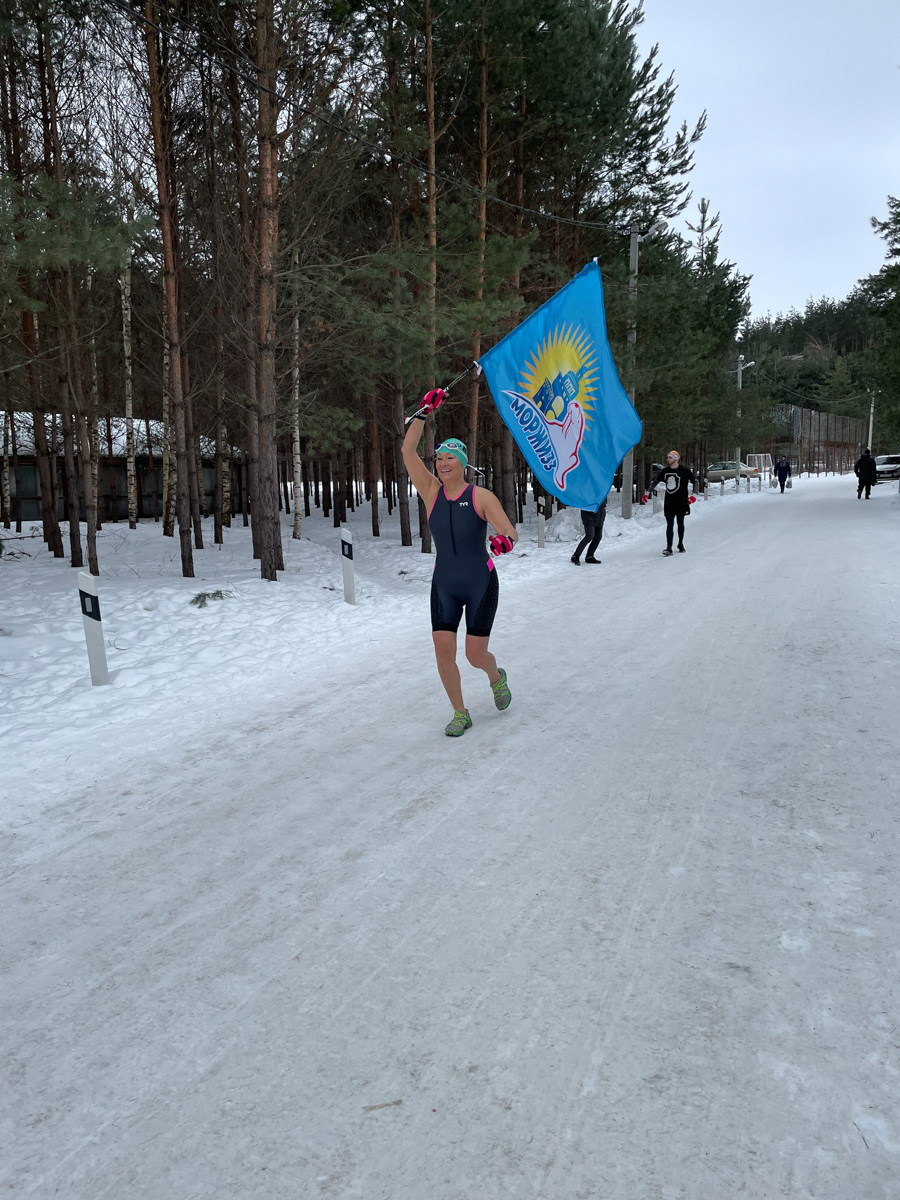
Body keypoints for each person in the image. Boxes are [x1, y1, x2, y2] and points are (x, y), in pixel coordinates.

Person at [402, 389, 519, 737]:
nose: (442, 463)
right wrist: (423, 411)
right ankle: (460, 712)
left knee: (473, 654)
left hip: (480, 583)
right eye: (439, 458)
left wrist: (504, 541)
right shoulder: (430, 491)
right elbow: (408, 450)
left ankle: (496, 677)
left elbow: (509, 531)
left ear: (462, 464)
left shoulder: (479, 496)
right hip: (445, 585)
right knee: (442, 650)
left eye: (449, 458)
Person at [649, 450, 696, 556]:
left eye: (670, 457)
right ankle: (669, 547)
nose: (667, 459)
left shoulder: (684, 470)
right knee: (669, 524)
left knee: (680, 523)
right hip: (669, 502)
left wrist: (693, 495)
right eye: (667, 457)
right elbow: (656, 481)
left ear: (675, 459)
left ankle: (680, 543)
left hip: (682, 501)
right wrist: (648, 492)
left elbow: (694, 480)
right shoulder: (665, 471)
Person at [571, 499, 607, 565]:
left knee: (598, 537)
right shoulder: (589, 490)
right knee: (589, 535)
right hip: (589, 515)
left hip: (599, 515)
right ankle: (575, 556)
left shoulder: (601, 490)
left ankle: (590, 556)